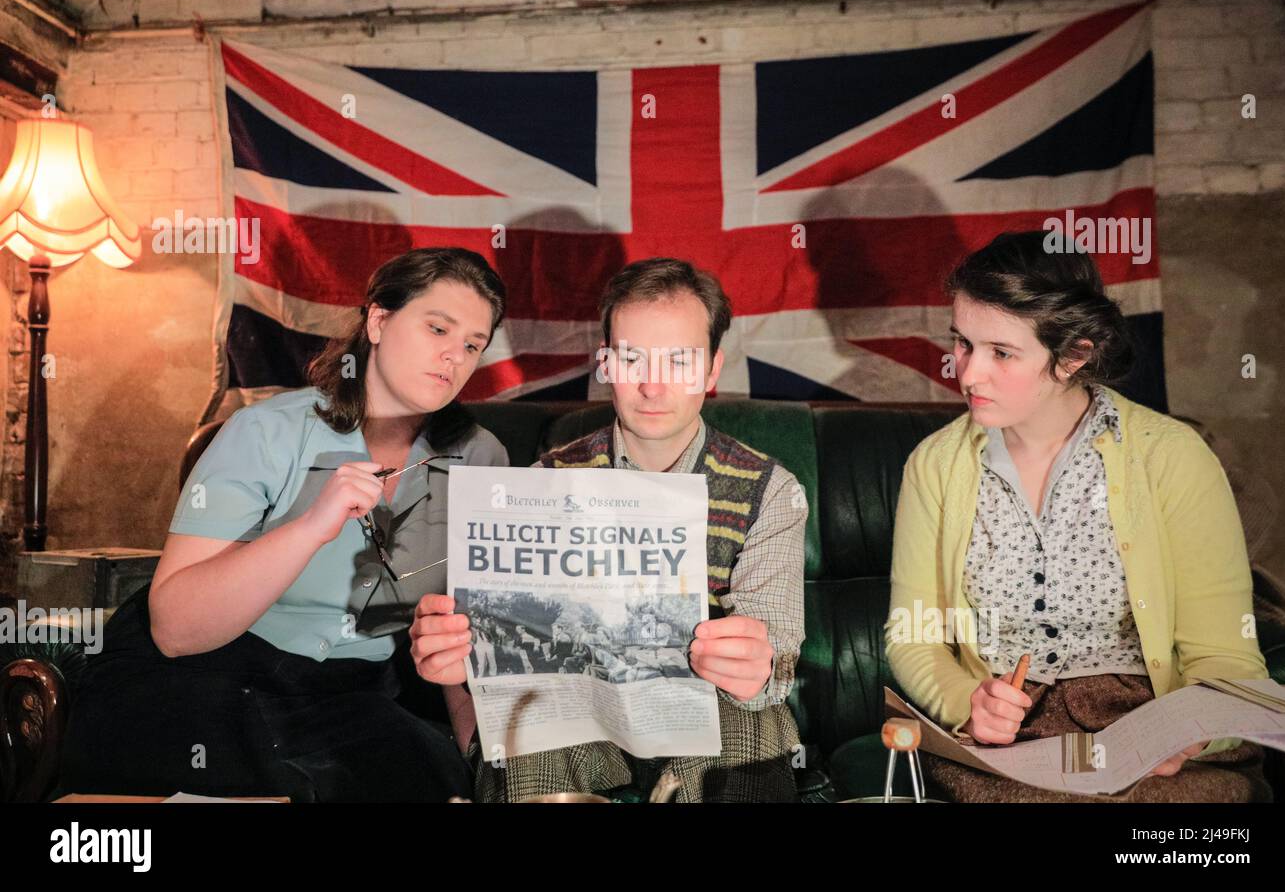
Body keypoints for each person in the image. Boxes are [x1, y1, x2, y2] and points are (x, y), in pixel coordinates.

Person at [59, 248, 510, 802]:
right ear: (378, 320)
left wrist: (487, 769)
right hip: (207, 674)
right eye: (437, 327)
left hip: (349, 695)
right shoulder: (265, 431)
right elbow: (175, 631)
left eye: (472, 344)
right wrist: (308, 527)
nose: (453, 356)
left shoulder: (482, 458)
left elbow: (469, 629)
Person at [886, 230, 1270, 802]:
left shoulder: (1171, 455)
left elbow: (1225, 653)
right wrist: (968, 703)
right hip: (1009, 745)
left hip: (1146, 728)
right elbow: (912, 637)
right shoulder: (935, 465)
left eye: (1002, 353)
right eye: (963, 343)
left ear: (1074, 356)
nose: (967, 374)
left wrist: (1189, 735)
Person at [410, 257, 808, 801]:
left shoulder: (771, 490)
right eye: (631, 358)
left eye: (679, 360)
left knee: (748, 722)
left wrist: (759, 669)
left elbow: (778, 649)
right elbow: (497, 650)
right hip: (579, 722)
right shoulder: (543, 482)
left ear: (712, 370)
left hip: (707, 718)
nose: (652, 385)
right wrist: (459, 659)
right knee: (532, 719)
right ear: (606, 364)